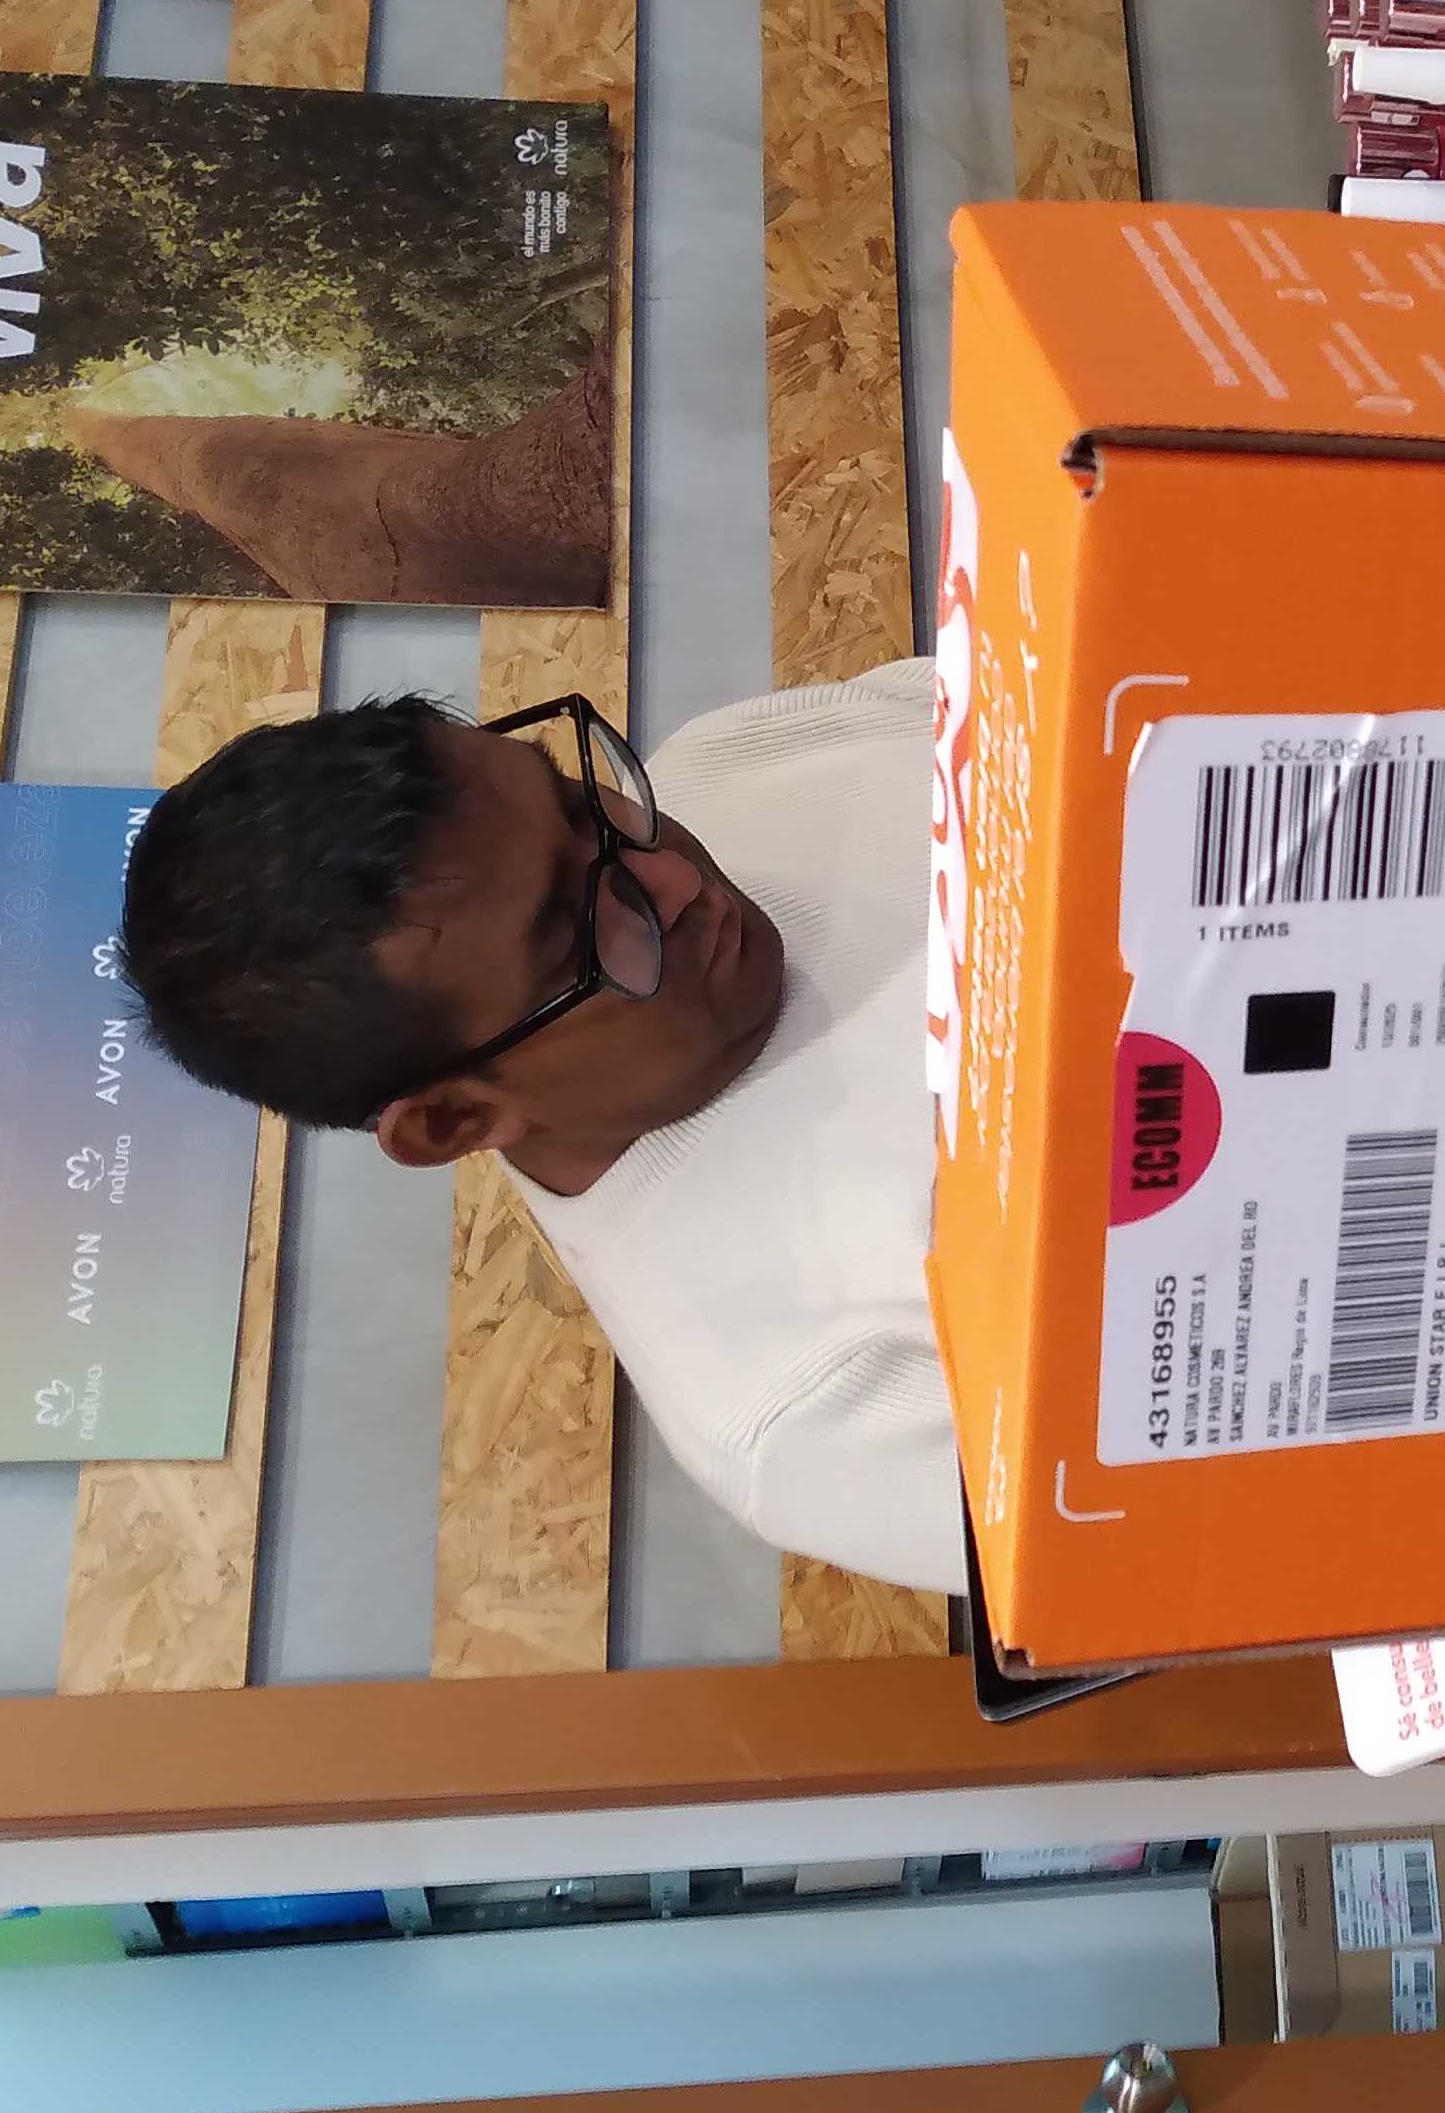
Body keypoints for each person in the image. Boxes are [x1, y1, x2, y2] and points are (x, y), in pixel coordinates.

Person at [117, 665, 960, 1595]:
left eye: (575, 803)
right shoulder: (807, 1408)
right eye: (574, 932)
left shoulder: (721, 762)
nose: (676, 876)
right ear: (455, 1118)